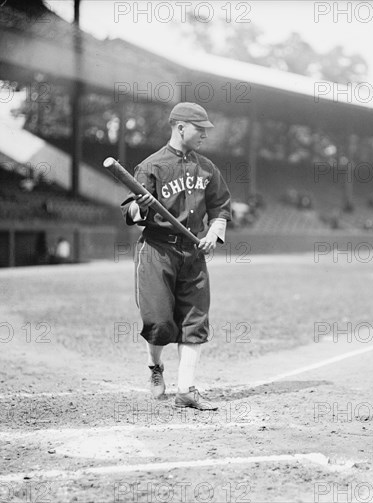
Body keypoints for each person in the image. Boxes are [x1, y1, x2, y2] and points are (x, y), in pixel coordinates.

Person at [120, 102, 231, 410]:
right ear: (181, 127)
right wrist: (141, 205)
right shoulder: (151, 166)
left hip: (193, 253)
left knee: (195, 320)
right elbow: (130, 211)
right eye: (200, 129)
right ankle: (155, 368)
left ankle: (186, 390)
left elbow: (220, 207)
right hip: (158, 250)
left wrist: (212, 234)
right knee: (158, 323)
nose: (205, 136)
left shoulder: (207, 168)